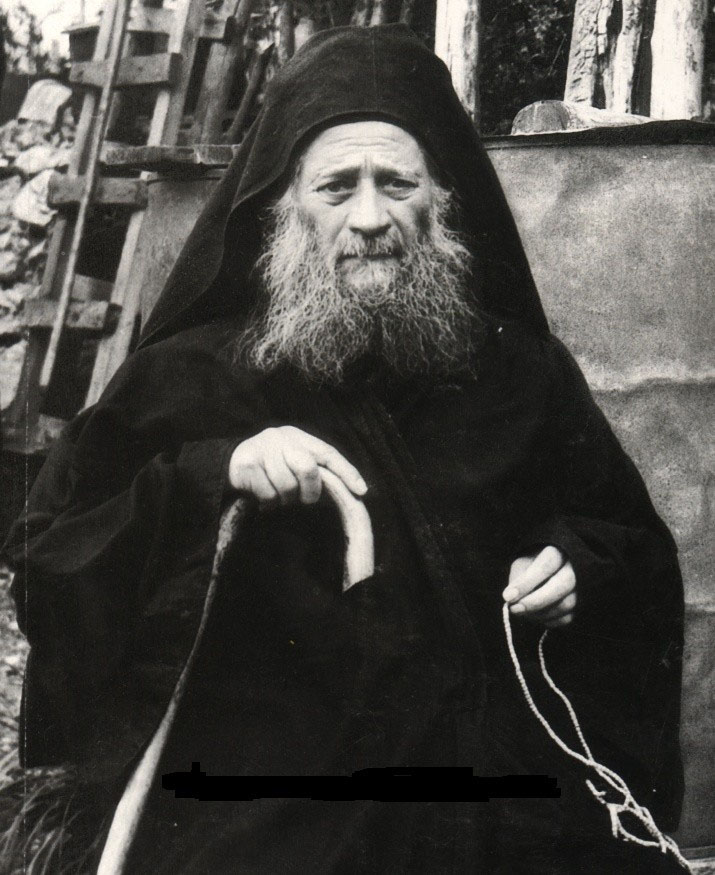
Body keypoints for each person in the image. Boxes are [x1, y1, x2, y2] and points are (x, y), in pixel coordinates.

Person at [4, 25, 685, 874]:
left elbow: (627, 544)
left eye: (396, 182)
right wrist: (214, 475)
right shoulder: (187, 375)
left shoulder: (520, 371)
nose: (369, 218)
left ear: (440, 199)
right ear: (284, 206)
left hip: (494, 799)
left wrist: (576, 565)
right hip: (265, 805)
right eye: (336, 186)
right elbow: (51, 564)